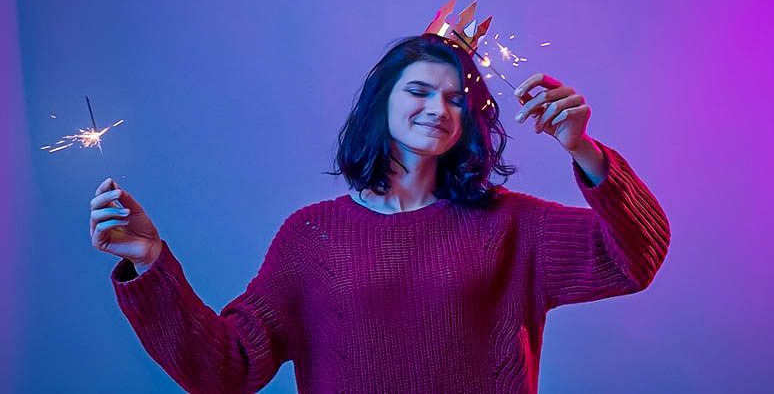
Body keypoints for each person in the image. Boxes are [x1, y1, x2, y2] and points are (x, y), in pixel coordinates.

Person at [91, 33, 670, 393]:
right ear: (382, 103)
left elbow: (636, 258)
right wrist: (150, 261)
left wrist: (582, 149)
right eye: (418, 91)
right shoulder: (312, 237)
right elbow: (228, 369)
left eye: (454, 99)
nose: (437, 108)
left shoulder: (512, 225)